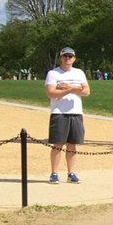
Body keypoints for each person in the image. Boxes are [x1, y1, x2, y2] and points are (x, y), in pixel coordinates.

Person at [45, 46, 90, 184]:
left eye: (70, 56)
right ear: (61, 58)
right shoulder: (53, 74)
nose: (67, 59)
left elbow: (86, 91)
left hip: (75, 112)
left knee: (72, 144)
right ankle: (54, 173)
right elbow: (51, 93)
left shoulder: (79, 73)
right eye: (65, 56)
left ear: (74, 59)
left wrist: (68, 88)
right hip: (59, 112)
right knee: (58, 144)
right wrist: (72, 89)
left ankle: (71, 173)